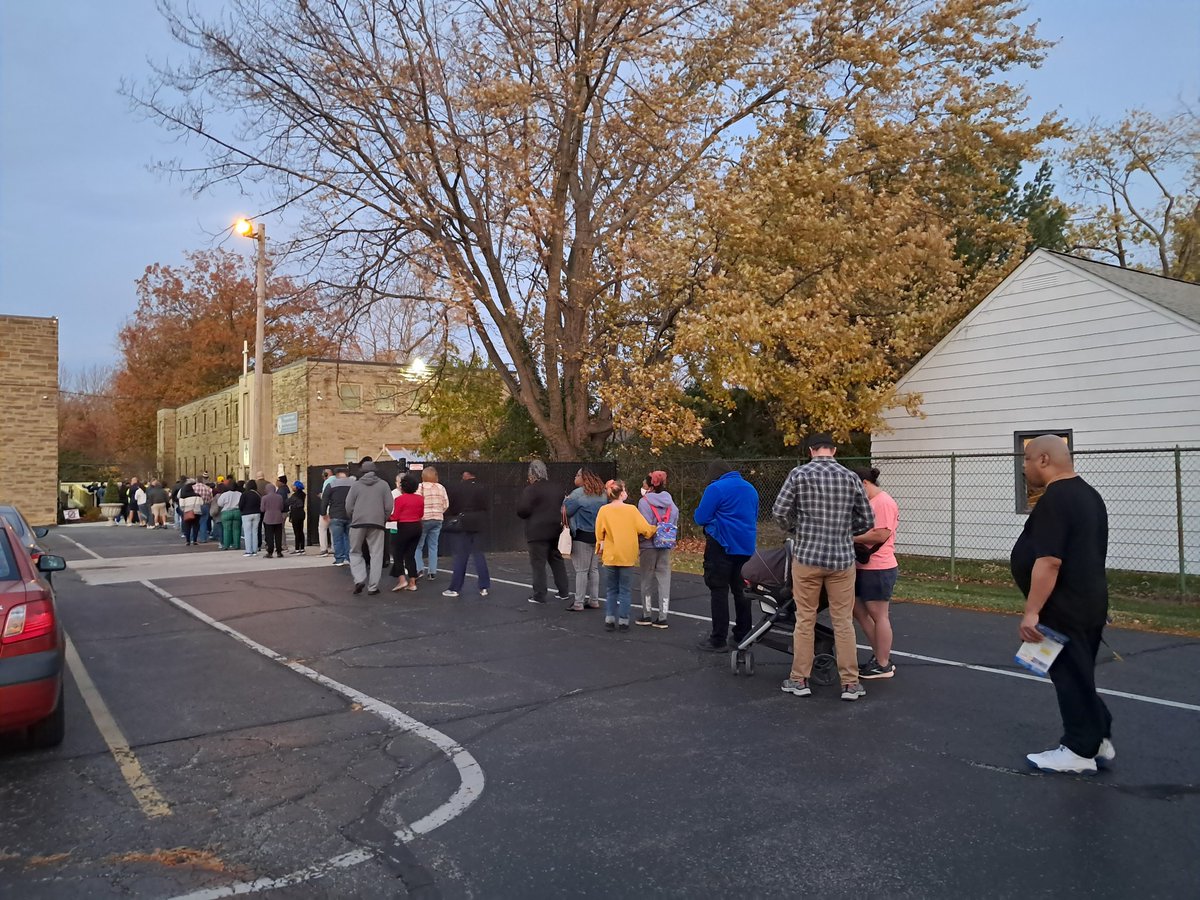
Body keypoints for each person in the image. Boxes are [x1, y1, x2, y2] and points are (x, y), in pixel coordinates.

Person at [1012, 435, 1114, 775]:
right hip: (1088, 601)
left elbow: (1049, 561)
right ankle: (1097, 737)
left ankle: (1078, 750)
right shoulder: (1089, 494)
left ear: (1043, 459)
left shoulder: (1057, 498)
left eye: (1026, 460)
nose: (1024, 467)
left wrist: (1032, 611)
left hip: (1065, 607)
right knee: (1080, 672)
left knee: (1069, 676)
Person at [772, 434, 874, 702]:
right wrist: (842, 531)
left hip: (807, 557)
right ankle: (850, 683)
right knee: (843, 622)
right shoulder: (851, 477)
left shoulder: (798, 475)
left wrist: (797, 529)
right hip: (841, 559)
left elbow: (780, 511)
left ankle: (799, 679)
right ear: (834, 450)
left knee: (805, 619)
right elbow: (867, 518)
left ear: (811, 451)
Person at [694, 460, 759, 652]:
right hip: (745, 546)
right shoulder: (750, 488)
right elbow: (753, 515)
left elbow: (701, 517)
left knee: (719, 590)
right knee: (742, 592)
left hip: (721, 544)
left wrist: (714, 523)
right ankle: (743, 635)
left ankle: (718, 638)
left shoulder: (716, 488)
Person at [851, 467, 900, 679]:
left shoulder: (883, 502)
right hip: (863, 567)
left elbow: (881, 534)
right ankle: (881, 655)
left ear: (863, 483)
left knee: (879, 615)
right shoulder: (869, 503)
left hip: (879, 568)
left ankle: (883, 664)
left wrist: (850, 538)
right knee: (859, 611)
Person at [594, 480, 658, 632]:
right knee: (625, 590)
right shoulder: (631, 510)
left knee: (611, 590)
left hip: (610, 555)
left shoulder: (604, 510)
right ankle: (623, 621)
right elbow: (644, 529)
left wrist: (600, 546)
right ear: (622, 493)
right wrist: (656, 528)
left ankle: (609, 619)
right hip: (627, 555)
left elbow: (598, 532)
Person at [516, 460, 571, 605]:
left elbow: (522, 510)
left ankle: (539, 595)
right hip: (554, 528)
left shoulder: (531, 490)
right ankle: (564, 591)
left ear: (531, 474)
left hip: (536, 530)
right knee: (556, 558)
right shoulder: (557, 488)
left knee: (538, 563)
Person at [636, 470, 679, 629]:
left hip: (648, 545)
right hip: (665, 543)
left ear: (649, 486)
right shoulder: (670, 502)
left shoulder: (644, 502)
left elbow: (643, 525)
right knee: (664, 578)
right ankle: (663, 616)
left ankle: (647, 614)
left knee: (646, 579)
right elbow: (675, 517)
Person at [345, 461, 393, 595]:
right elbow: (389, 506)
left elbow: (348, 505)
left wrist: (353, 516)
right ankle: (373, 587)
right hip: (377, 523)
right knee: (376, 554)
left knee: (355, 551)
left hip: (358, 522)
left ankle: (359, 578)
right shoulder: (383, 485)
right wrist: (383, 517)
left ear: (361, 471)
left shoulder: (356, 485)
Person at [442, 470, 491, 598]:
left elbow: (451, 507)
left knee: (461, 556)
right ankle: (484, 587)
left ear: (465, 474)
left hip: (463, 522)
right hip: (479, 522)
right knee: (478, 554)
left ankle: (455, 588)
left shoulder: (457, 488)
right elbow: (486, 506)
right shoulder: (482, 488)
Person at [563, 467, 606, 611]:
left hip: (581, 534)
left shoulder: (577, 494)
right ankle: (594, 600)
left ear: (583, 478)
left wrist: (565, 501)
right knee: (593, 569)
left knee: (581, 570)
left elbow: (567, 511)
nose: (575, 477)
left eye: (577, 475)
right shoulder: (602, 494)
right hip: (597, 535)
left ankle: (578, 602)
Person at [389, 473, 424, 592]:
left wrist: (387, 517)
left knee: (398, 554)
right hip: (417, 526)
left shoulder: (400, 499)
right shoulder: (420, 498)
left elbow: (395, 516)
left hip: (404, 527)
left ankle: (402, 580)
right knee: (410, 555)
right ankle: (412, 582)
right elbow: (421, 514)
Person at [415, 467, 450, 580]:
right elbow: (446, 504)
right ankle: (432, 571)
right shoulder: (441, 487)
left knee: (418, 546)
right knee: (433, 546)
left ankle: (419, 569)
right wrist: (439, 512)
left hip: (423, 518)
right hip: (437, 518)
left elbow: (416, 501)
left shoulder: (420, 487)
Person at [322, 468, 354, 567]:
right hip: (350, 515)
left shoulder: (331, 485)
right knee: (349, 538)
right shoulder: (354, 484)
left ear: (337, 475)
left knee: (337, 538)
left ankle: (339, 559)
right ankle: (350, 558)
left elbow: (325, 500)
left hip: (336, 515)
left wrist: (324, 514)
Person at [261, 482, 286, 559]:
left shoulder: (264, 498)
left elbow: (262, 509)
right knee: (278, 535)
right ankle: (279, 551)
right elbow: (281, 507)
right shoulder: (279, 497)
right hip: (278, 517)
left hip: (268, 518)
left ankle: (270, 552)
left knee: (269, 536)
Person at [217, 481, 243, 550]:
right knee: (237, 529)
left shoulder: (225, 494)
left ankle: (226, 545)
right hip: (237, 512)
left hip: (226, 512)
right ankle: (237, 545)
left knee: (226, 530)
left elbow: (219, 503)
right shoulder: (239, 494)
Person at [177, 479, 204, 545]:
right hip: (197, 512)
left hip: (187, 512)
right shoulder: (197, 495)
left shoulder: (183, 495)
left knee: (187, 526)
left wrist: (184, 509)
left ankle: (187, 540)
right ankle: (195, 540)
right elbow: (202, 503)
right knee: (196, 526)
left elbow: (182, 505)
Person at [239, 480, 263, 556]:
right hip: (257, 514)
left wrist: (242, 510)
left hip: (246, 514)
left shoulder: (245, 494)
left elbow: (241, 505)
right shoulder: (258, 494)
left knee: (247, 533)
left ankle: (249, 551)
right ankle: (255, 550)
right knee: (255, 532)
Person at [317, 468, 335, 556]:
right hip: (335, 509)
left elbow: (325, 498)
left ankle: (324, 549)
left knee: (322, 528)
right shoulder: (337, 480)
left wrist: (323, 512)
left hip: (328, 507)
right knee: (333, 529)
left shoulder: (327, 482)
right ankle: (334, 548)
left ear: (326, 475)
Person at [193, 476, 214, 543]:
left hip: (195, 506)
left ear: (196, 480)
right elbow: (211, 499)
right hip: (205, 505)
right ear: (203, 480)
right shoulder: (208, 488)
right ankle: (203, 538)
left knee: (193, 522)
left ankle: (192, 538)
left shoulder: (192, 488)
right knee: (203, 522)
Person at [288, 481, 307, 554]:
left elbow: (288, 502)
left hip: (295, 514)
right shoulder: (303, 494)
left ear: (296, 487)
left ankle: (297, 548)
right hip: (301, 513)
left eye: (293, 486)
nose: (292, 487)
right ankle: (302, 548)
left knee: (296, 532)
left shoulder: (294, 496)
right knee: (301, 531)